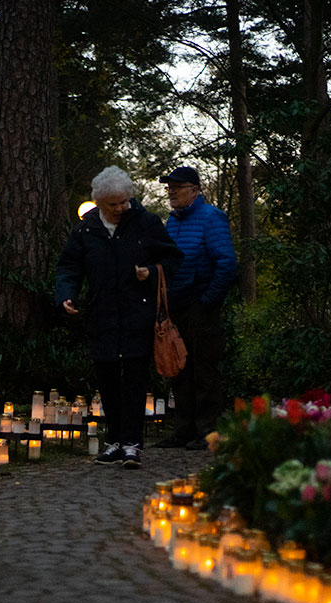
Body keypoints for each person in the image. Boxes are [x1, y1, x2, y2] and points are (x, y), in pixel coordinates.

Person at [56, 165, 183, 468]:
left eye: (124, 202)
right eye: (113, 204)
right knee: (108, 379)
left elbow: (173, 258)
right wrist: (66, 295)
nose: (120, 208)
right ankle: (114, 440)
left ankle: (132, 444)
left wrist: (150, 272)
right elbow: (69, 266)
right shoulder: (86, 229)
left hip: (137, 314)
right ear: (99, 202)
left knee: (135, 380)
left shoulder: (146, 222)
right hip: (102, 315)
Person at [155, 166, 238, 450]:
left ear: (194, 190)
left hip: (200, 305)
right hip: (177, 307)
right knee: (179, 368)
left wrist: (207, 301)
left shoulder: (211, 217)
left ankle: (207, 433)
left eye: (177, 187)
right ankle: (184, 431)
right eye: (169, 188)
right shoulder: (172, 222)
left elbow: (226, 263)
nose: (171, 192)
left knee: (204, 369)